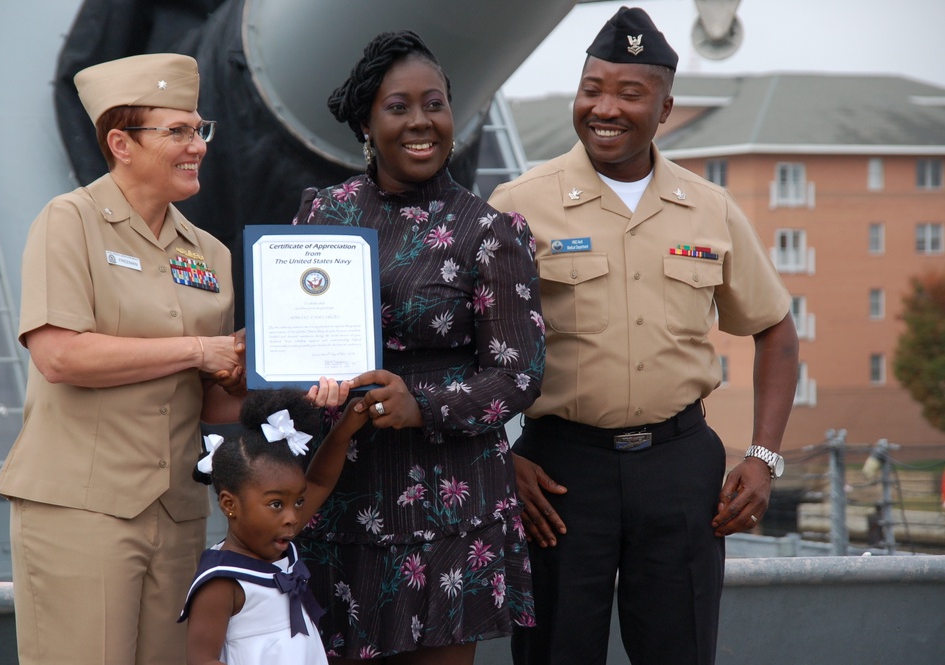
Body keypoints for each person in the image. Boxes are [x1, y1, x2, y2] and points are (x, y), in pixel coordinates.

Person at [487, 7, 800, 665]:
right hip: (559, 473)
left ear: (665, 108)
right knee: (554, 652)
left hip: (679, 467)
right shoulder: (519, 203)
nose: (606, 107)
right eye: (592, 88)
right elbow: (464, 342)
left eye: (630, 93)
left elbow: (774, 327)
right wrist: (497, 456)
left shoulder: (708, 206)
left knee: (680, 648)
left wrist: (764, 456)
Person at [294, 30, 546, 664]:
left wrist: (422, 404)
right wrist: (293, 375)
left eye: (434, 103)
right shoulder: (322, 216)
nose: (420, 122)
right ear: (366, 123)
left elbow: (519, 377)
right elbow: (292, 342)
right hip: (340, 495)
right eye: (397, 106)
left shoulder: (491, 231)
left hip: (449, 505)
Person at [0, 53, 244, 665]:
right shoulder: (69, 221)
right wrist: (199, 348)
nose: (197, 146)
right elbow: (60, 356)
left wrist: (249, 371)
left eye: (199, 129)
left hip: (176, 508)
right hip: (83, 507)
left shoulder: (209, 253)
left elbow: (211, 400)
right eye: (177, 131)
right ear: (120, 143)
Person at [179, 388, 369, 665]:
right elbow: (202, 659)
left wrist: (344, 429)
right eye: (276, 504)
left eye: (298, 502)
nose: (292, 517)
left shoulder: (278, 539)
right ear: (230, 504)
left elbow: (318, 482)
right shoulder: (221, 581)